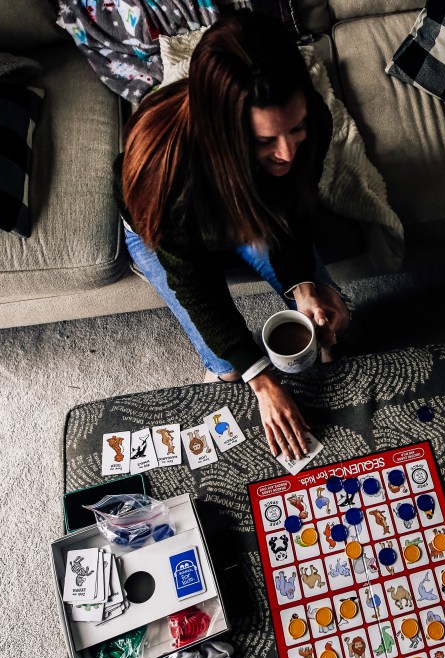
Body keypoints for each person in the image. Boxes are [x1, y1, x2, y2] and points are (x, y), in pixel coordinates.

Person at [116, 11, 350, 462]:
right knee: (227, 368)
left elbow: (293, 211)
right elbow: (197, 285)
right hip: (161, 228)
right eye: (266, 140)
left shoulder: (307, 123)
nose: (287, 152)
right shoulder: (167, 173)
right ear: (224, 132)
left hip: (249, 208)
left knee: (322, 321)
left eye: (295, 130)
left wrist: (303, 286)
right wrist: (261, 379)